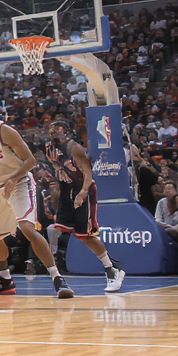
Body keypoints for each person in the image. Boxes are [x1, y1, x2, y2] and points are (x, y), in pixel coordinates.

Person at [0, 96, 72, 298]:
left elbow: (30, 161)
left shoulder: (4, 131)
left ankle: (57, 278)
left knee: (26, 227)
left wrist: (12, 179)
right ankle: (5, 280)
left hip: (19, 183)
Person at [45, 120, 126, 292]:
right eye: (51, 130)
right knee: (60, 229)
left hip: (83, 188)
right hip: (66, 189)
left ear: (66, 132)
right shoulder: (49, 149)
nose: (53, 132)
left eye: (57, 129)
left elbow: (88, 174)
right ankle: (55, 266)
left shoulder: (75, 148)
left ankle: (111, 269)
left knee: (86, 234)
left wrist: (82, 193)